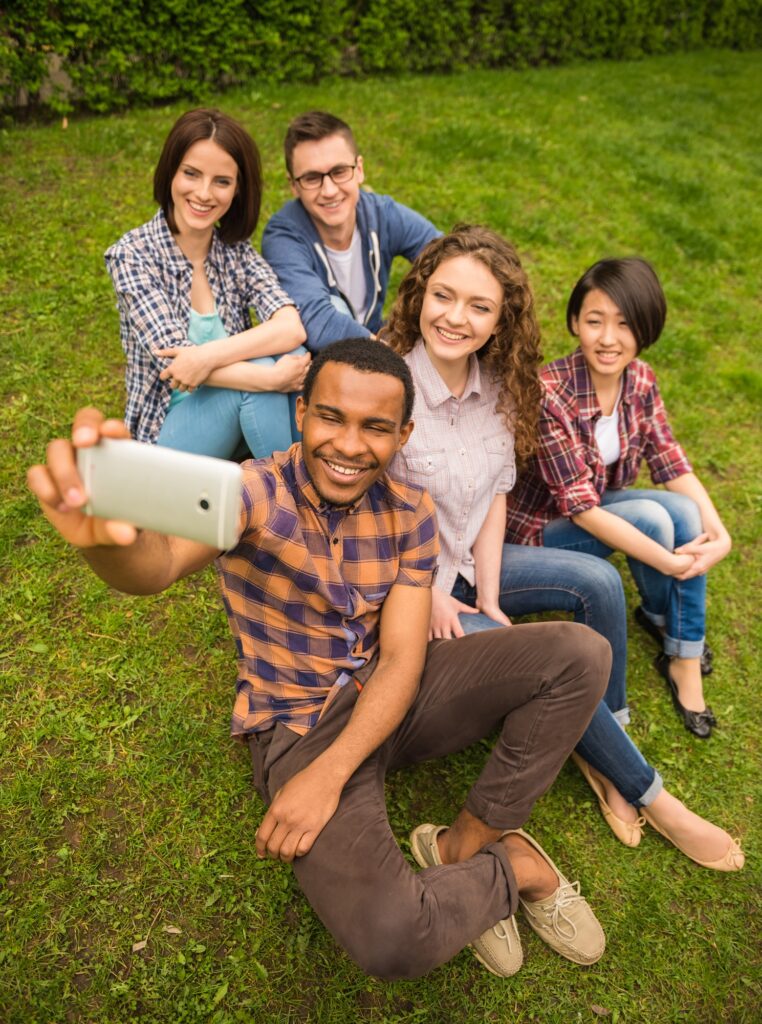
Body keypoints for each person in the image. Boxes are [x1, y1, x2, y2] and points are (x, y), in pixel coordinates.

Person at [28, 338, 613, 981]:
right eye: (331, 417)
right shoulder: (253, 492)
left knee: (579, 653)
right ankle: (517, 869)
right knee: (397, 940)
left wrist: (334, 774)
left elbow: (401, 659)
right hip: (299, 722)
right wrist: (106, 545)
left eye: (376, 427)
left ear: (403, 434)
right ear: (302, 411)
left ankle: (465, 846)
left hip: (393, 691)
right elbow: (157, 565)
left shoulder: (411, 512)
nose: (350, 445)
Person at [383, 227, 743, 874]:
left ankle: (608, 735)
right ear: (420, 294)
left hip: (474, 568)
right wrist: (433, 593)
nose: (456, 318)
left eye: (479, 306)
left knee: (599, 585)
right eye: (444, 296)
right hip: (411, 590)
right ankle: (652, 795)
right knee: (555, 662)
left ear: (502, 319)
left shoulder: (497, 384)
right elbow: (363, 517)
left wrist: (489, 594)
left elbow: (495, 494)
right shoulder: (388, 382)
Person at [505, 258, 731, 740]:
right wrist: (671, 564)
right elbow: (581, 508)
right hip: (539, 527)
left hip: (596, 502)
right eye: (594, 321)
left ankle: (680, 648)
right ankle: (668, 619)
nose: (608, 338)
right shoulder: (550, 392)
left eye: (624, 324)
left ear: (645, 329)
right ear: (574, 323)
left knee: (685, 512)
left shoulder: (641, 380)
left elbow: (671, 460)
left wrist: (720, 533)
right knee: (652, 520)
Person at [105, 107, 310, 459]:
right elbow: (175, 366)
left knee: (291, 354)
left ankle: (297, 479)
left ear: (237, 190)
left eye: (221, 181)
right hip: (167, 435)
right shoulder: (132, 255)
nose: (203, 193)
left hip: (237, 414)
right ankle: (292, 495)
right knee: (267, 371)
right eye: (191, 174)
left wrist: (206, 356)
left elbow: (290, 326)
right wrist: (269, 379)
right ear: (171, 171)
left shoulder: (234, 252)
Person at [261, 111, 440, 351]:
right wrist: (391, 356)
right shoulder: (283, 236)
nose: (329, 190)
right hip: (314, 364)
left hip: (372, 343)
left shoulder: (382, 214)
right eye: (312, 178)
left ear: (359, 169)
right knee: (334, 306)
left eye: (339, 172)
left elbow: (447, 258)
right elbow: (317, 322)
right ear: (294, 186)